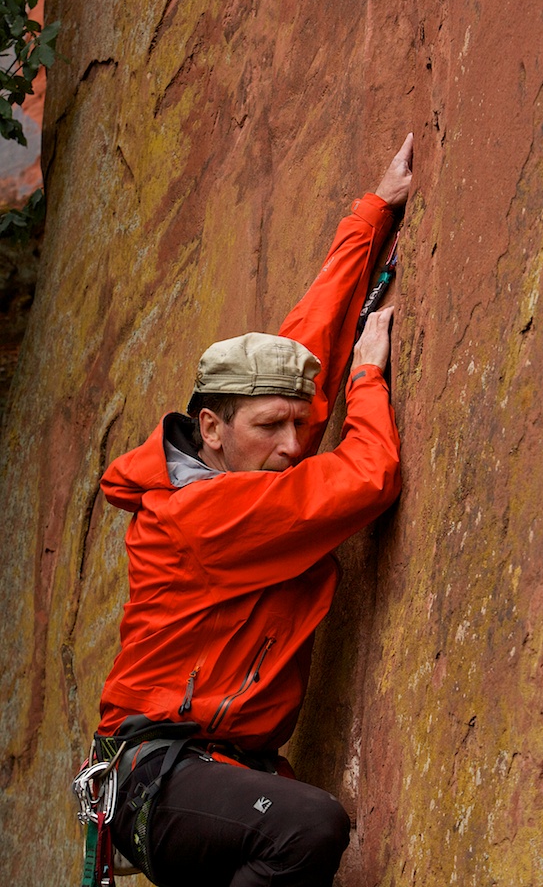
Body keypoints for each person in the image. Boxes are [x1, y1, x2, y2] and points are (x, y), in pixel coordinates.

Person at [90, 133, 413, 887]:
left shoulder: (220, 453)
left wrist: (374, 212)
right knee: (308, 826)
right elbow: (368, 478)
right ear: (212, 428)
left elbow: (301, 346)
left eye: (298, 425)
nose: (293, 444)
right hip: (159, 777)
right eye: (271, 428)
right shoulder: (208, 516)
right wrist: (367, 377)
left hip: (204, 771)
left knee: (294, 825)